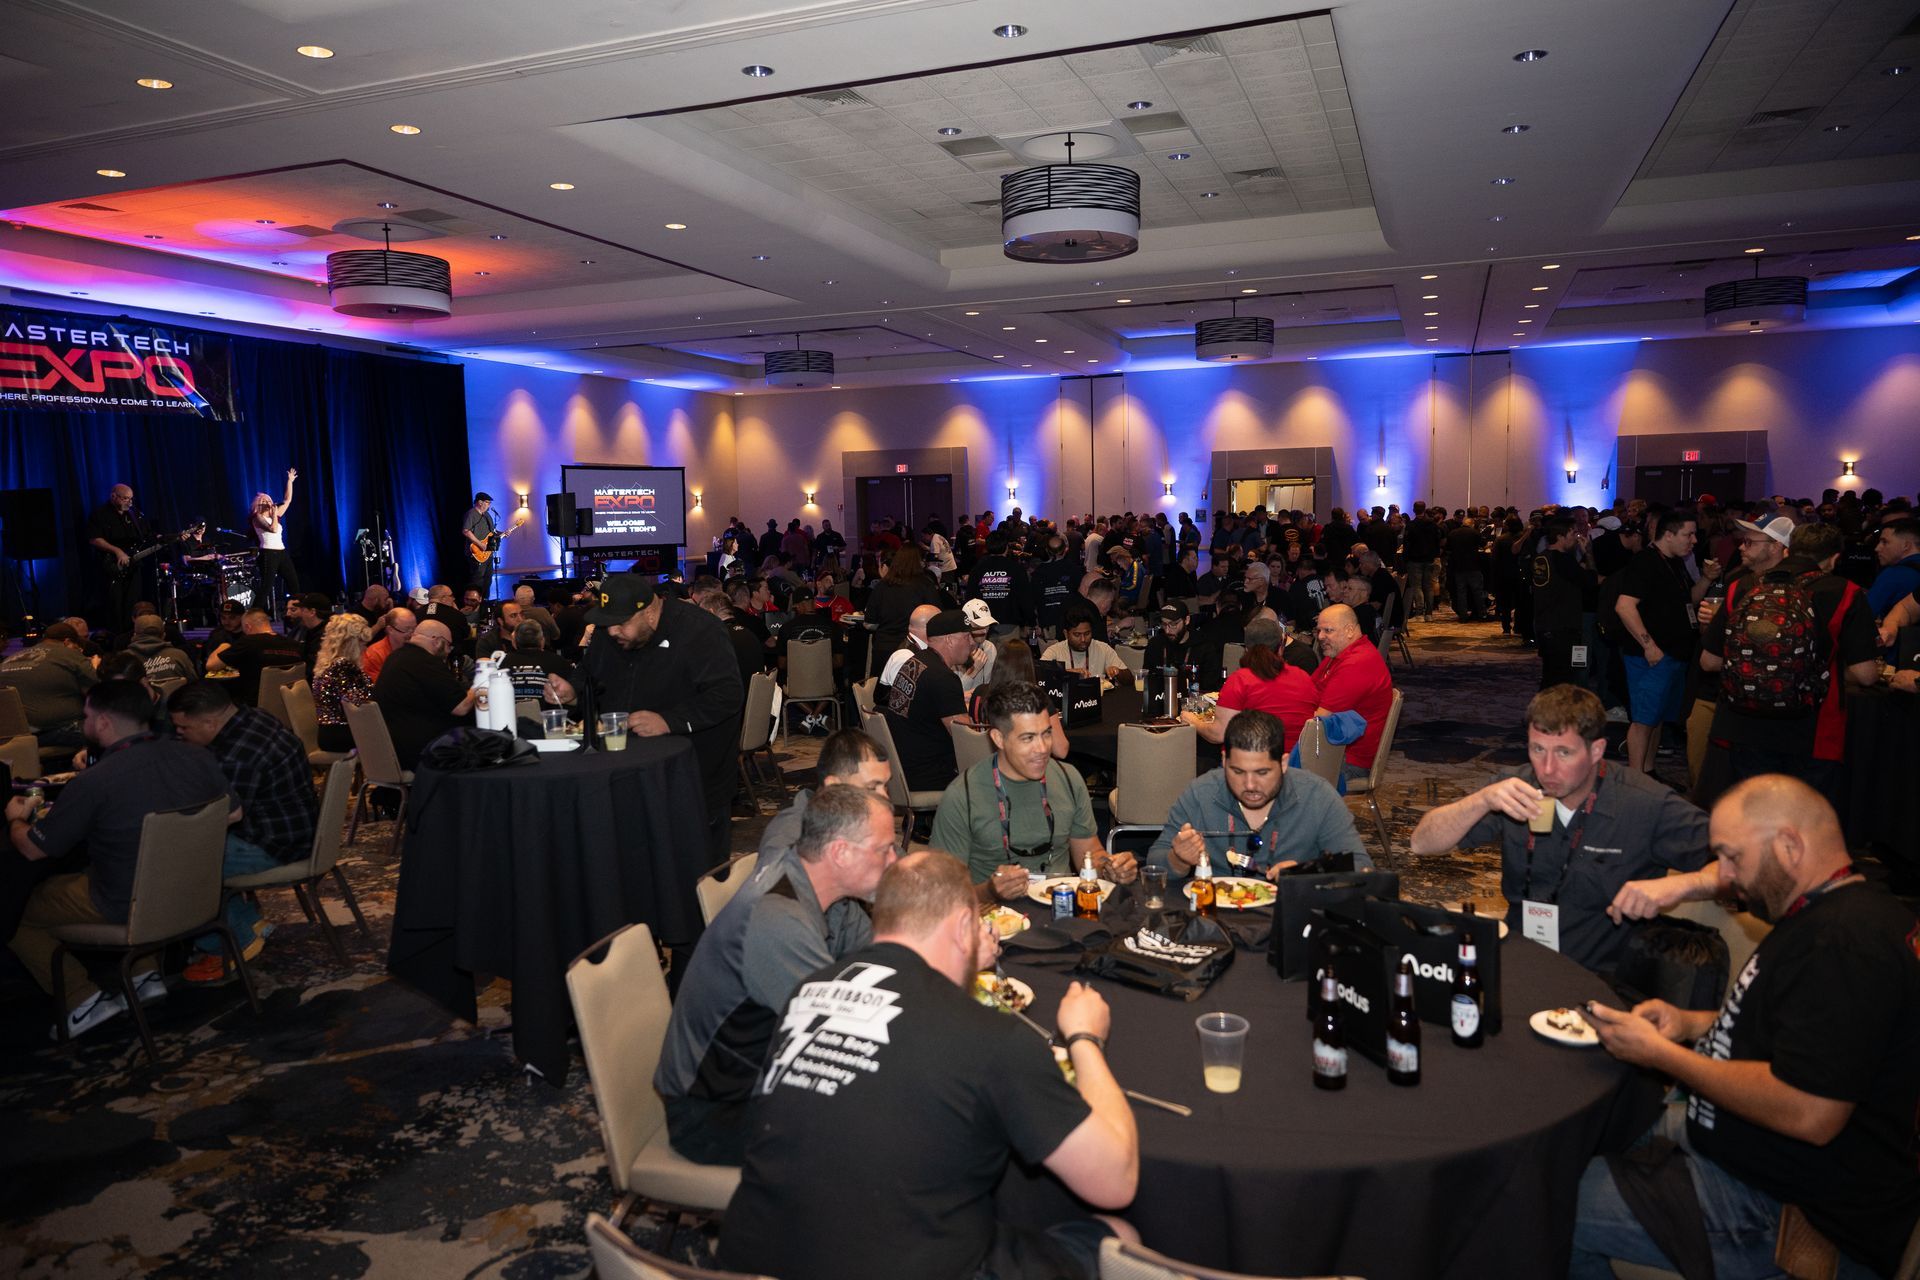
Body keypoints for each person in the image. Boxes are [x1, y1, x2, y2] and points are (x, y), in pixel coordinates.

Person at [718, 851, 1139, 1280]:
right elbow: (1115, 1183)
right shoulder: (993, 1037)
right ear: (964, 925)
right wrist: (1085, 1038)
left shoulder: (808, 992)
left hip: (750, 1263)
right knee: (1119, 1238)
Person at [1569, 775, 1920, 1280]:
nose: (1727, 877)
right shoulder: (1830, 907)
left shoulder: (1846, 944)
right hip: (1743, 1152)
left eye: (1733, 857)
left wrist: (1665, 1057)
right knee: (1582, 1138)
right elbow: (1808, 1033)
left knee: (1548, 1200)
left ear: (1790, 846)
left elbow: (1810, 1111)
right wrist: (1689, 1024)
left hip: (1787, 1209)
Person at [655, 784, 898, 1165]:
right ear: (840, 852)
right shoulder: (778, 921)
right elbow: (840, 1035)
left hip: (764, 1073)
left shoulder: (828, 894)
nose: (894, 860)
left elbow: (883, 963)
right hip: (715, 1111)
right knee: (899, 1129)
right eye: (884, 849)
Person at [1408, 685, 1716, 973]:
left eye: (1564, 753)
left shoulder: (1644, 802)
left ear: (1596, 750)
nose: (1547, 769)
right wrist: (1481, 800)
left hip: (1604, 976)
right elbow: (1422, 843)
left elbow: (1738, 865)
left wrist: (1680, 886)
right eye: (1537, 749)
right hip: (1522, 959)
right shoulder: (1516, 788)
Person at [6, 681, 235, 1039]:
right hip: (197, 895)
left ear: (103, 722)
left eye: (86, 716)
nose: (84, 723)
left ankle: (82, 999)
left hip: (129, 905)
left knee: (11, 905)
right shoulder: (198, 756)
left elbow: (34, 849)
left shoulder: (94, 781)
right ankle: (145, 974)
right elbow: (233, 812)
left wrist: (16, 820)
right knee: (107, 865)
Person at [544, 574, 745, 861]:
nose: (613, 631)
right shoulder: (609, 632)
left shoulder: (700, 630)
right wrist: (572, 692)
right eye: (608, 623)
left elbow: (727, 694)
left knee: (698, 871)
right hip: (626, 777)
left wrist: (669, 721)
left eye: (621, 623)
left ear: (649, 612)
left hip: (694, 779)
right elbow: (590, 674)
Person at [1697, 521, 1878, 809]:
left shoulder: (1742, 587)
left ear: (1788, 549)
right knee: (1804, 818)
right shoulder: (1846, 593)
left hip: (1744, 722)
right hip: (1814, 727)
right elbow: (1865, 674)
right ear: (1834, 559)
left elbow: (1710, 661)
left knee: (1753, 813)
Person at [167, 680, 317, 982]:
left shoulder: (238, 755)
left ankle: (230, 942)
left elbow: (217, 817)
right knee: (189, 853)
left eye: (183, 728)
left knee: (175, 867)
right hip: (295, 829)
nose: (178, 734)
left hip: (274, 844)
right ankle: (249, 922)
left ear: (210, 723)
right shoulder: (254, 718)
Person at [931, 681, 1133, 902]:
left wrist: (1110, 868)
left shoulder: (1068, 778)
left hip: (1061, 906)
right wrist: (990, 891)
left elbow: (1090, 854)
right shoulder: (963, 795)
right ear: (998, 738)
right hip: (996, 914)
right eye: (1028, 738)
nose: (1042, 748)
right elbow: (942, 892)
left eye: (1046, 734)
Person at [1149, 708, 1367, 881]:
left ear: (1283, 763)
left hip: (1292, 915)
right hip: (1216, 914)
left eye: (1262, 773)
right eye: (1237, 772)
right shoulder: (1200, 794)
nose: (1250, 785)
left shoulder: (1317, 796)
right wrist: (1178, 860)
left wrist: (1308, 873)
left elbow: (1362, 868)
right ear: (1224, 762)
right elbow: (1154, 862)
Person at [1613, 509, 1710, 773]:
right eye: (1688, 535)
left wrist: (1707, 579)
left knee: (1656, 718)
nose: (1694, 541)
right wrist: (1649, 646)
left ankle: (1648, 772)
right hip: (1651, 657)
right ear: (1668, 534)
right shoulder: (1645, 562)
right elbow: (1624, 607)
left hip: (1673, 653)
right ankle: (1636, 781)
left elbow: (1688, 600)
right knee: (1644, 720)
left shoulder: (1674, 561)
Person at [880, 608, 972, 794]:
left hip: (903, 767)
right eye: (967, 636)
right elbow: (965, 739)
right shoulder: (943, 678)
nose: (972, 643)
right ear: (949, 639)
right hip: (929, 775)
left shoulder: (915, 661)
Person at [1193, 616, 1317, 750]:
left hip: (1255, 760)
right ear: (1281, 647)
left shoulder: (1240, 680)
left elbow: (1218, 734)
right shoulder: (1303, 677)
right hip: (1298, 759)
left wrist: (1191, 720)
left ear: (1246, 649)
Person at [372, 619, 477, 771]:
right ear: (437, 641)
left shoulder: (395, 657)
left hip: (392, 747)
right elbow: (461, 707)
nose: (449, 651)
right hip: (420, 752)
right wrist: (481, 683)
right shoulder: (425, 662)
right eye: (448, 645)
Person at [1309, 604, 1394, 782]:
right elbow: (1308, 690)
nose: (1320, 636)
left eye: (1328, 630)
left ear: (1349, 630)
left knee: (1271, 767)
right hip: (1334, 747)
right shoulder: (1338, 654)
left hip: (1348, 759)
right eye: (1318, 630)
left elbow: (1319, 723)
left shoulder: (1356, 663)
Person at [0, 623, 97, 750]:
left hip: (10, 737)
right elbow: (99, 691)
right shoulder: (70, 654)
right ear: (67, 642)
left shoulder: (9, 659)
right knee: (108, 727)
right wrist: (95, 668)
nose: (79, 651)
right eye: (78, 648)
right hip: (54, 730)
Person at [1531, 515, 1591, 689]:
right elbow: (1589, 580)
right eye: (1573, 533)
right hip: (1563, 626)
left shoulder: (1542, 557)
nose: (1576, 538)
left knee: (1551, 675)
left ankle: (1545, 706)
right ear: (1560, 536)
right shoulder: (1563, 559)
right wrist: (1587, 553)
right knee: (1562, 678)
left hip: (1545, 624)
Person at [204, 606, 305, 708]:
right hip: (291, 705)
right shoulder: (295, 645)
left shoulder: (248, 642)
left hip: (254, 707)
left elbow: (211, 665)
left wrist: (223, 646)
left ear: (248, 627)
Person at [84, 482, 151, 628]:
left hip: (133, 564)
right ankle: (115, 633)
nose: (129, 502)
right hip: (111, 564)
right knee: (114, 603)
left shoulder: (134, 515)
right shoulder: (100, 514)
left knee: (133, 600)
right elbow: (94, 539)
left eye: (131, 499)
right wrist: (118, 551)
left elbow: (146, 536)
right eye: (125, 498)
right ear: (113, 496)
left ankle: (131, 630)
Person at [311, 612, 374, 753]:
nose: (365, 648)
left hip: (329, 732)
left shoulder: (329, 663)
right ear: (351, 644)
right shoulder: (342, 666)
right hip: (340, 733)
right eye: (362, 643)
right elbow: (360, 705)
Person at [249, 468, 300, 618]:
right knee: (266, 586)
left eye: (268, 500)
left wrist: (290, 481)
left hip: (281, 553)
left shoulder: (275, 515)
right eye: (263, 501)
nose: (267, 502)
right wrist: (274, 515)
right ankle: (253, 615)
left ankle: (296, 612)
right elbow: (273, 529)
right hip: (268, 553)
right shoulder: (257, 517)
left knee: (294, 583)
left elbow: (287, 500)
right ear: (258, 504)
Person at [1042, 615, 1129, 683]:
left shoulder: (1103, 648)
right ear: (1066, 634)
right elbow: (1040, 677)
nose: (1083, 639)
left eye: (1087, 634)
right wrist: (1067, 674)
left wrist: (1118, 672)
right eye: (1077, 635)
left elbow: (1129, 680)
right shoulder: (1054, 651)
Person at [125, 614, 196, 685]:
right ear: (164, 635)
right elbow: (194, 685)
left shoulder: (124, 659)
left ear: (135, 635)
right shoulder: (179, 656)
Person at [361, 607, 417, 683]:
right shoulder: (374, 655)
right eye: (406, 629)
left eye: (414, 629)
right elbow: (378, 686)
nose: (412, 634)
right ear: (390, 630)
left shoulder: (418, 648)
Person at [282, 592, 332, 672]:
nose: (301, 614)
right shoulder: (310, 631)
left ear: (312, 612)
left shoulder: (328, 635)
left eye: (303, 610)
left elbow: (313, 667)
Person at [461, 492, 499, 595]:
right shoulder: (471, 514)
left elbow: (492, 531)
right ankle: (475, 601)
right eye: (487, 502)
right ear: (480, 502)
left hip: (488, 552)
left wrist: (502, 533)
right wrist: (480, 544)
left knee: (488, 579)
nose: (489, 505)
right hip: (476, 552)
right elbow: (466, 531)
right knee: (478, 579)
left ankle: (485, 600)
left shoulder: (487, 515)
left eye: (489, 503)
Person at [421, 584, 474, 655]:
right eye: (451, 596)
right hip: (449, 657)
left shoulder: (417, 613)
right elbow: (466, 634)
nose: (453, 599)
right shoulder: (456, 615)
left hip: (422, 656)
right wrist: (457, 612)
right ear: (443, 598)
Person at [1143, 600, 1194, 673]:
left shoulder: (1202, 647)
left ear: (1187, 620)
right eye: (1164, 624)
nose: (1167, 631)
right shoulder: (1155, 645)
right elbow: (1147, 677)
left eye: (1173, 624)